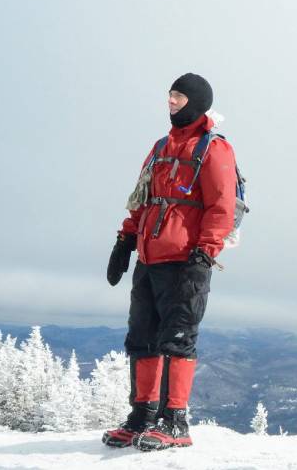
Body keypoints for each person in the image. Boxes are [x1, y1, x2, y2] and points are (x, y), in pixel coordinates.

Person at [102, 72, 237, 452]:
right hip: (149, 257)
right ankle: (142, 417)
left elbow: (221, 207)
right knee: (141, 338)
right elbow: (141, 197)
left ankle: (175, 421)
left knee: (177, 339)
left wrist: (205, 253)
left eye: (178, 96)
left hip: (186, 260)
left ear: (195, 101)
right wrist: (125, 239)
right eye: (170, 95)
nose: (171, 101)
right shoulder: (161, 146)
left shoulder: (214, 149)